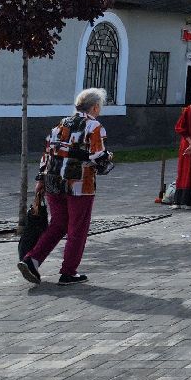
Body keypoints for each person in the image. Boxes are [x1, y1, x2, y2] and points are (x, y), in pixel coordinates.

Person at [18, 88, 114, 286]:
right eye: (100, 107)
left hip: (53, 181)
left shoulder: (60, 125)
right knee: (77, 228)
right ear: (95, 107)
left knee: (58, 224)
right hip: (79, 183)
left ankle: (32, 260)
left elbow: (48, 153)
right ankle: (68, 272)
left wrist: (40, 178)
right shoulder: (94, 126)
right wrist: (108, 159)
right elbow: (98, 157)